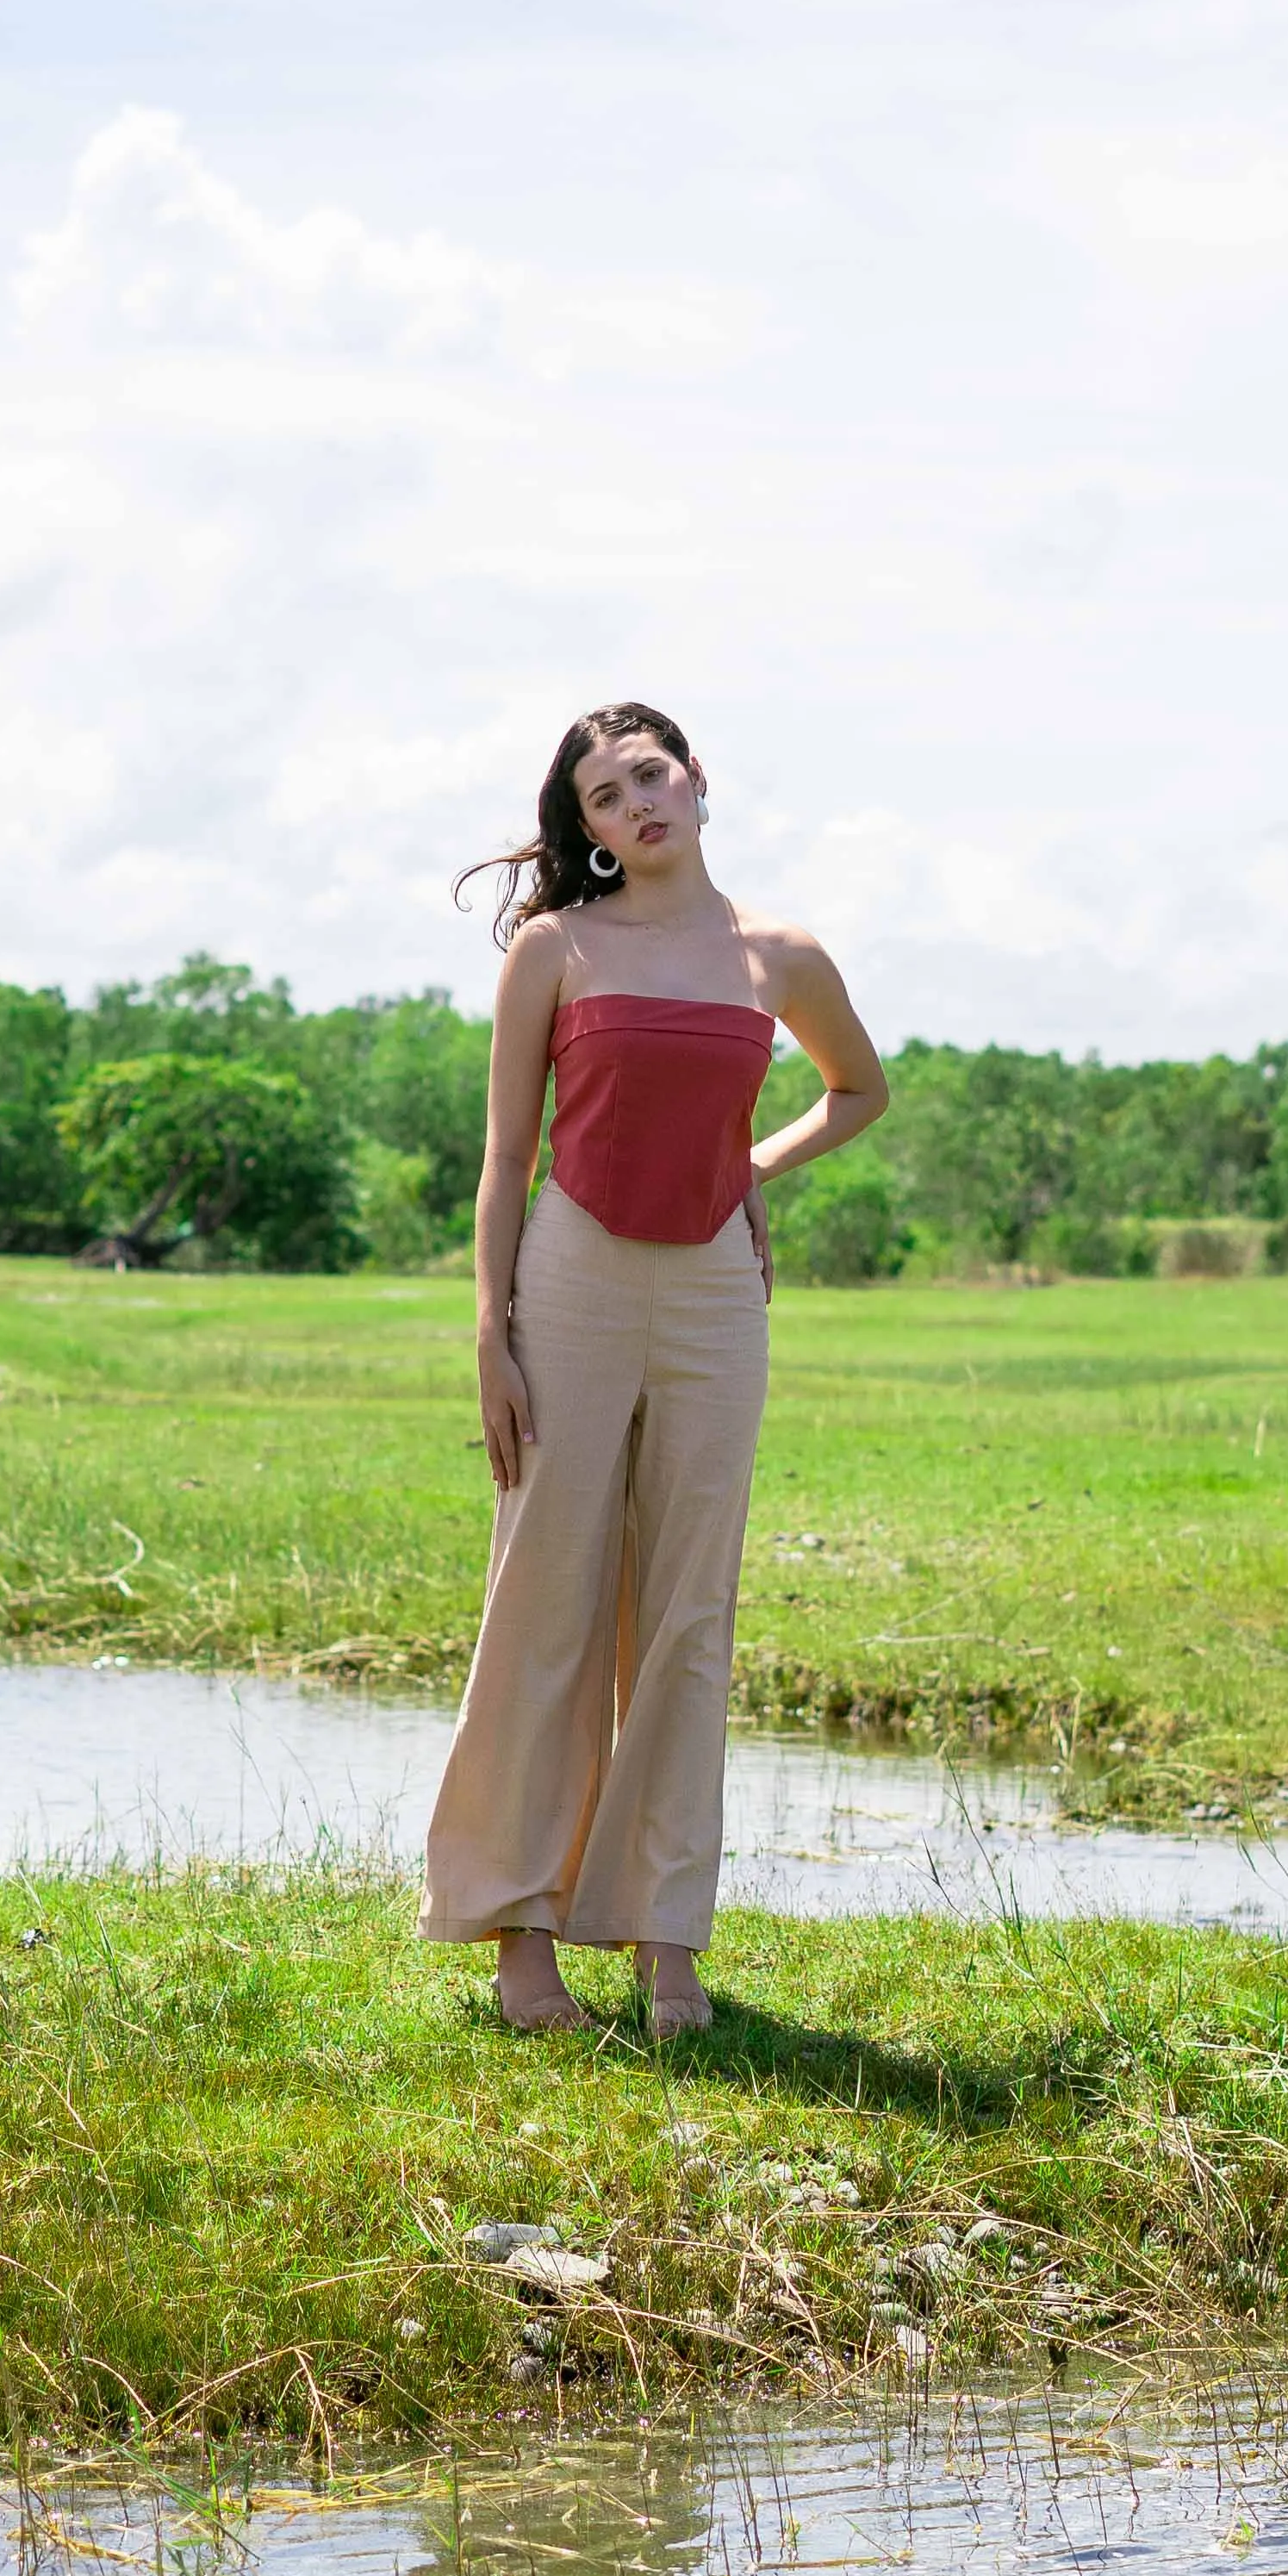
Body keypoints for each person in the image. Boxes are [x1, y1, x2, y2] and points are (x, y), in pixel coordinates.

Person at [419, 702, 888, 2036]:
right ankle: (521, 1932)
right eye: (604, 799)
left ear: (696, 781)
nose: (635, 804)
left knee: (688, 1617)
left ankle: (665, 1935)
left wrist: (751, 1167)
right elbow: (507, 1159)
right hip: (568, 1280)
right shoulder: (554, 949)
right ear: (593, 835)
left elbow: (859, 1090)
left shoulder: (778, 957)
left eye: (649, 775)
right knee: (547, 1598)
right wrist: (490, 1335)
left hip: (714, 1298)